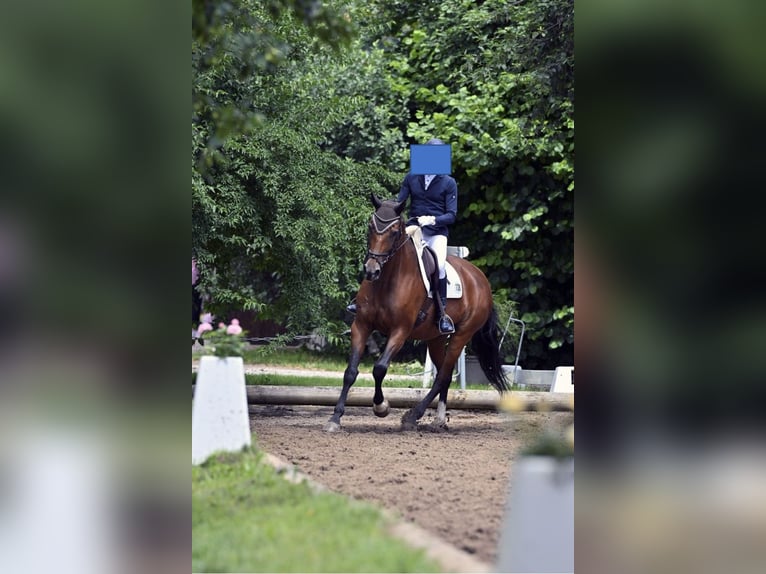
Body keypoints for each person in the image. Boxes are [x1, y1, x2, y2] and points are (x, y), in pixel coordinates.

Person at [347, 138, 457, 334]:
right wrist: (387, 211)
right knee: (382, 250)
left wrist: (432, 220)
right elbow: (400, 203)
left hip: (436, 232)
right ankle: (361, 300)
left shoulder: (448, 183)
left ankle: (442, 315)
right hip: (413, 228)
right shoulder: (412, 177)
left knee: (439, 265)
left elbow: (452, 215)